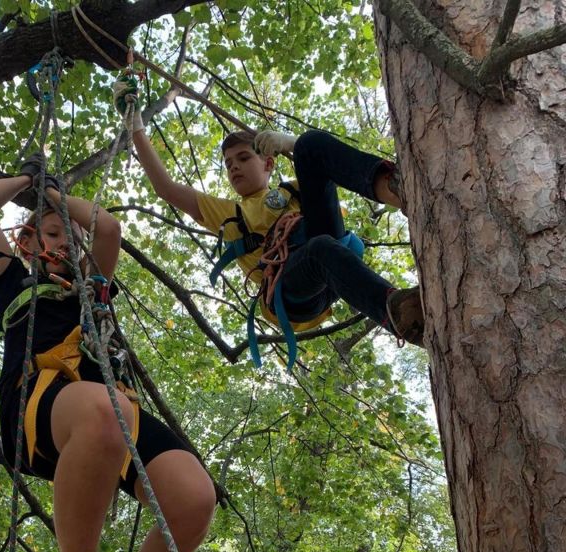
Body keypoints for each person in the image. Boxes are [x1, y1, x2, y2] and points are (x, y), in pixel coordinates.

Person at [0, 156, 215, 552]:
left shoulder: (94, 287)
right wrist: (30, 185)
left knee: (193, 498)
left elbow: (109, 228)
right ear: (27, 243)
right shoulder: (12, 278)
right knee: (105, 411)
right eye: (53, 234)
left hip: (109, 412)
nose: (67, 242)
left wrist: (55, 195)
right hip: (41, 400)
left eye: (71, 236)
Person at [112, 76, 424, 357]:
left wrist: (293, 144)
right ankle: (396, 310)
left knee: (311, 146)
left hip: (329, 254)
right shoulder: (231, 214)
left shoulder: (293, 191)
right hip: (290, 292)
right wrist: (135, 123)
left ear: (269, 164)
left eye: (244, 157)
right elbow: (165, 187)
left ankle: (395, 187)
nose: (233, 166)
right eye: (228, 163)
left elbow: (328, 187)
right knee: (322, 249)